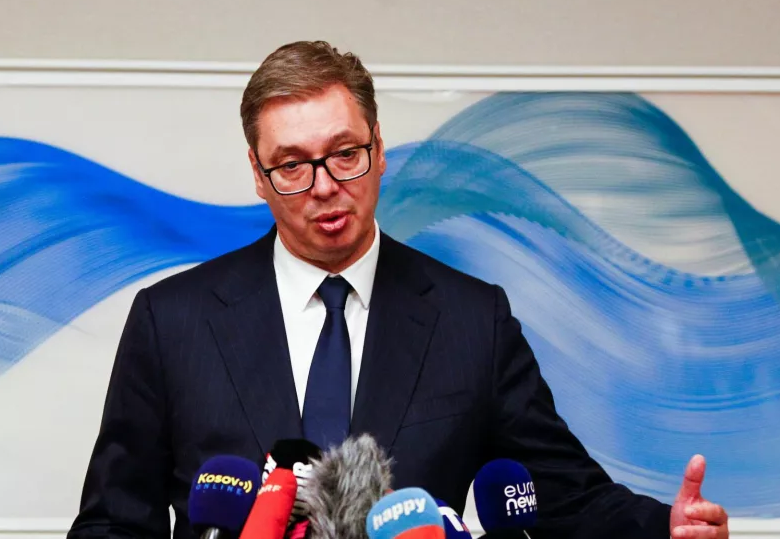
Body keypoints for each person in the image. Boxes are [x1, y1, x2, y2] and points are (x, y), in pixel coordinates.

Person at [67, 41, 729, 539]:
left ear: (379, 148)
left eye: (345, 153)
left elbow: (564, 495)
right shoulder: (172, 320)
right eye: (293, 165)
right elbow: (113, 522)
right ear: (259, 175)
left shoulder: (474, 320)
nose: (324, 185)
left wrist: (665, 528)